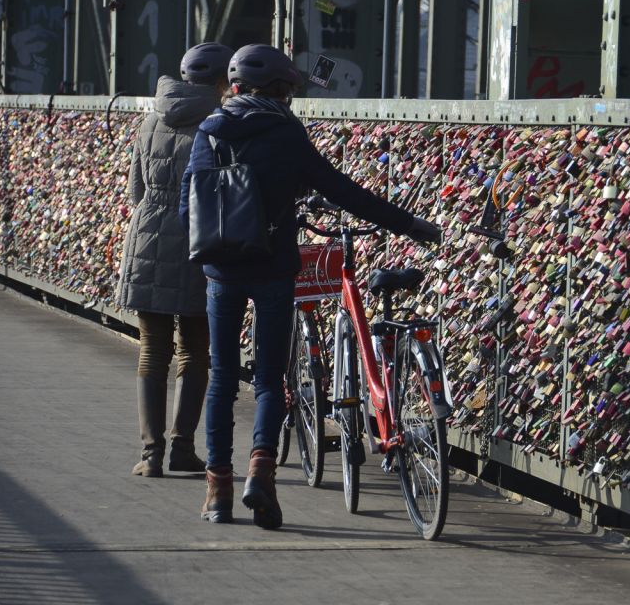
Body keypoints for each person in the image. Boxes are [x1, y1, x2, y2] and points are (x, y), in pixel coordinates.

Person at [180, 44, 440, 529]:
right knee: (269, 378)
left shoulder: (210, 131)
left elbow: (187, 207)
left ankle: (218, 492)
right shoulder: (286, 134)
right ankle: (262, 470)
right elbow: (343, 191)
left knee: (220, 377)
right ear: (281, 90)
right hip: (275, 268)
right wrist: (409, 224)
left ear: (235, 87)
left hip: (221, 272)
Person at [118, 42, 235, 477]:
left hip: (147, 239)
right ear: (224, 79)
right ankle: (182, 449)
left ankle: (150, 456)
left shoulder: (152, 119)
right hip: (199, 240)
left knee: (152, 352)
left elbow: (136, 191)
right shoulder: (221, 122)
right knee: (194, 352)